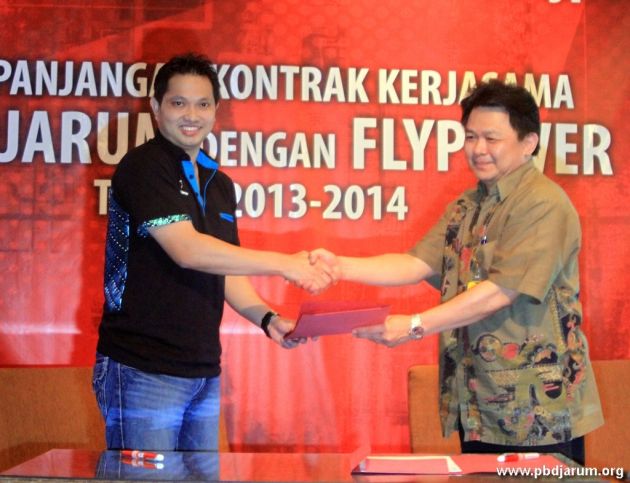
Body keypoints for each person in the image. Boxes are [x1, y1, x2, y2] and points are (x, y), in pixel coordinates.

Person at [311, 80, 603, 465]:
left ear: (528, 143)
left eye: (491, 138)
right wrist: (341, 266)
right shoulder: (467, 206)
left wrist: (415, 325)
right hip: (480, 403)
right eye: (470, 137)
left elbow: (501, 291)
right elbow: (417, 263)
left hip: (539, 409)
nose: (478, 149)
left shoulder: (543, 203)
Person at [93, 52, 333, 452]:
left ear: (216, 110)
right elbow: (187, 250)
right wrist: (284, 264)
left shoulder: (219, 184)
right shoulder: (144, 167)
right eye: (178, 103)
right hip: (142, 369)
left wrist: (268, 319)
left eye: (203, 104)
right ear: (156, 107)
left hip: (202, 371)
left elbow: (223, 269)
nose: (192, 115)